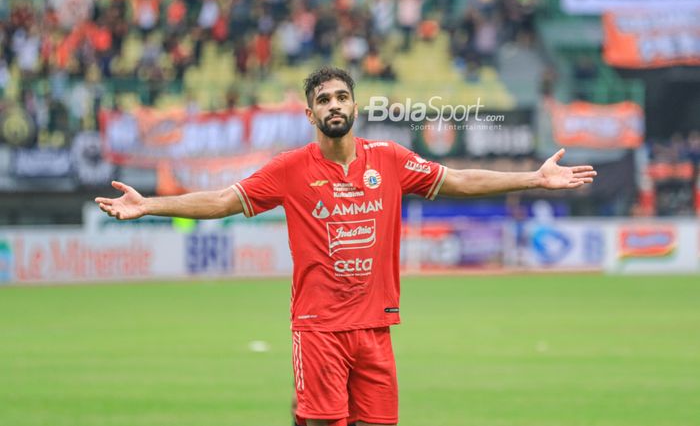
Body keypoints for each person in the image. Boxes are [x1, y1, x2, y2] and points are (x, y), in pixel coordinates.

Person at [95, 67, 597, 426]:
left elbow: (459, 179)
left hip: (376, 329)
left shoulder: (391, 158)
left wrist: (533, 178)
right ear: (310, 113)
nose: (334, 105)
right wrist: (151, 205)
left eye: (341, 97)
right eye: (324, 100)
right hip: (319, 330)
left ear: (354, 106)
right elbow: (226, 200)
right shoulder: (289, 168)